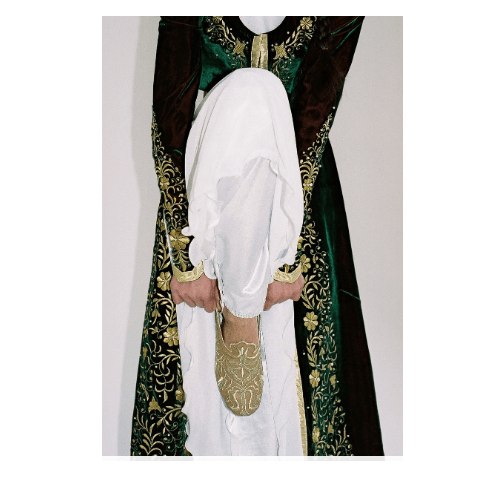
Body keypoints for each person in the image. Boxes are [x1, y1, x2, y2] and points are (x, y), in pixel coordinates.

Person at [131, 16, 384, 456]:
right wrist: (187, 256)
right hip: (204, 188)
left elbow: (318, 100)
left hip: (296, 183)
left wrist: (287, 251)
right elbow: (171, 100)